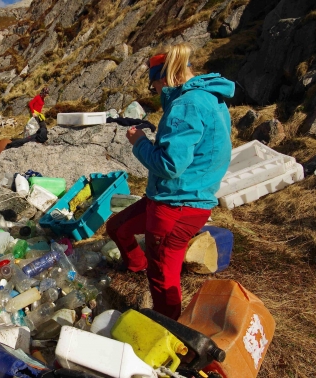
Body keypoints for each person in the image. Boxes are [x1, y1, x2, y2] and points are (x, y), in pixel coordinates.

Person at [105, 43, 235, 320]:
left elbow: (170, 165)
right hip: (174, 195)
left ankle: (170, 328)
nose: (153, 91)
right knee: (117, 226)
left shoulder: (186, 105)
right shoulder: (210, 97)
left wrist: (139, 142)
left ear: (163, 78)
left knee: (162, 272)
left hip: (177, 204)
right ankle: (136, 266)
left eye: (153, 85)